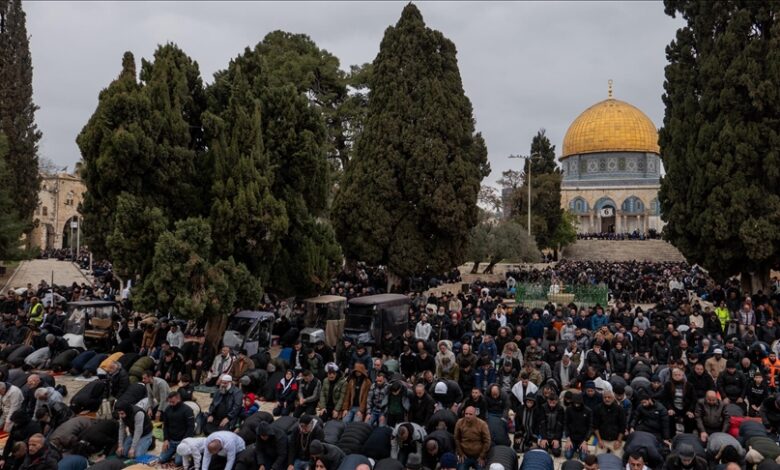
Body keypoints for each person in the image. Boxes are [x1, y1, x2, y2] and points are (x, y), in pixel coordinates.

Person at [160, 391, 195, 466]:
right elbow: (165, 425)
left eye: (172, 402)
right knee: (161, 459)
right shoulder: (168, 409)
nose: (170, 404)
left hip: (182, 441)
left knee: (178, 462)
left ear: (178, 399)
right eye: (169, 402)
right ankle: (173, 452)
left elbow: (191, 428)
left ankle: (183, 453)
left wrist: (184, 442)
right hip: (171, 441)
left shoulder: (187, 410)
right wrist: (166, 439)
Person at [454, 406, 490, 470]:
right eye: (466, 414)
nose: (468, 416)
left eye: (470, 414)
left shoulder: (482, 424)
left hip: (478, 456)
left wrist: (482, 456)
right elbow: (456, 438)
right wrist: (460, 453)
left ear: (475, 415)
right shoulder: (459, 422)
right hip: (465, 455)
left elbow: (487, 441)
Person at [593, 390, 626, 458]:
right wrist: (599, 440)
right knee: (597, 459)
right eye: (605, 397)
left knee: (618, 459)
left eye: (609, 397)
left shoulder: (620, 409)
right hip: (602, 440)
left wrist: (618, 441)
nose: (607, 399)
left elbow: (622, 427)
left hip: (615, 441)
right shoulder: (597, 408)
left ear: (613, 398)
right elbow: (595, 427)